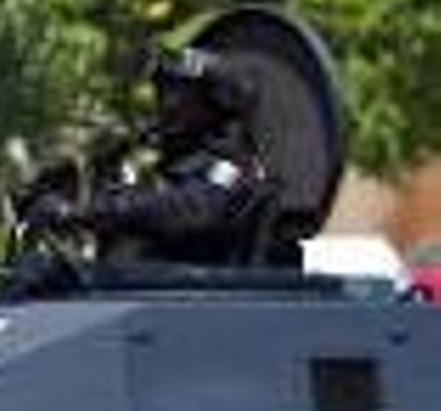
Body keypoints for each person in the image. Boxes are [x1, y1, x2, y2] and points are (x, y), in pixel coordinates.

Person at [22, 43, 281, 271]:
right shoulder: (167, 165)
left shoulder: (233, 167)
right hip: (137, 298)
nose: (166, 104)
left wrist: (79, 212)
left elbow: (182, 212)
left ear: (216, 102)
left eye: (180, 94)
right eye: (163, 91)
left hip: (197, 307)